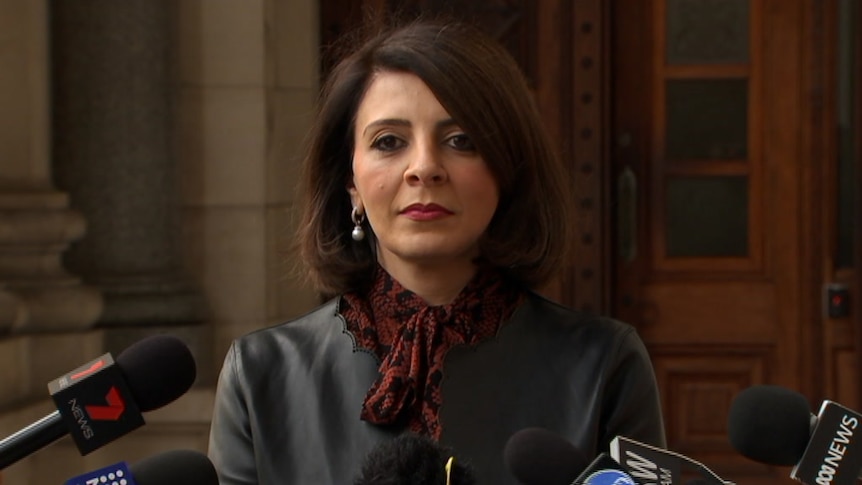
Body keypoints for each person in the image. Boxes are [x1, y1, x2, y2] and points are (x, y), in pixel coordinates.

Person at [207, 18, 666, 485]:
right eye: (389, 142)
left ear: (507, 171)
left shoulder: (603, 364)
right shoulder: (261, 373)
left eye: (460, 140)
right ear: (351, 184)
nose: (424, 168)